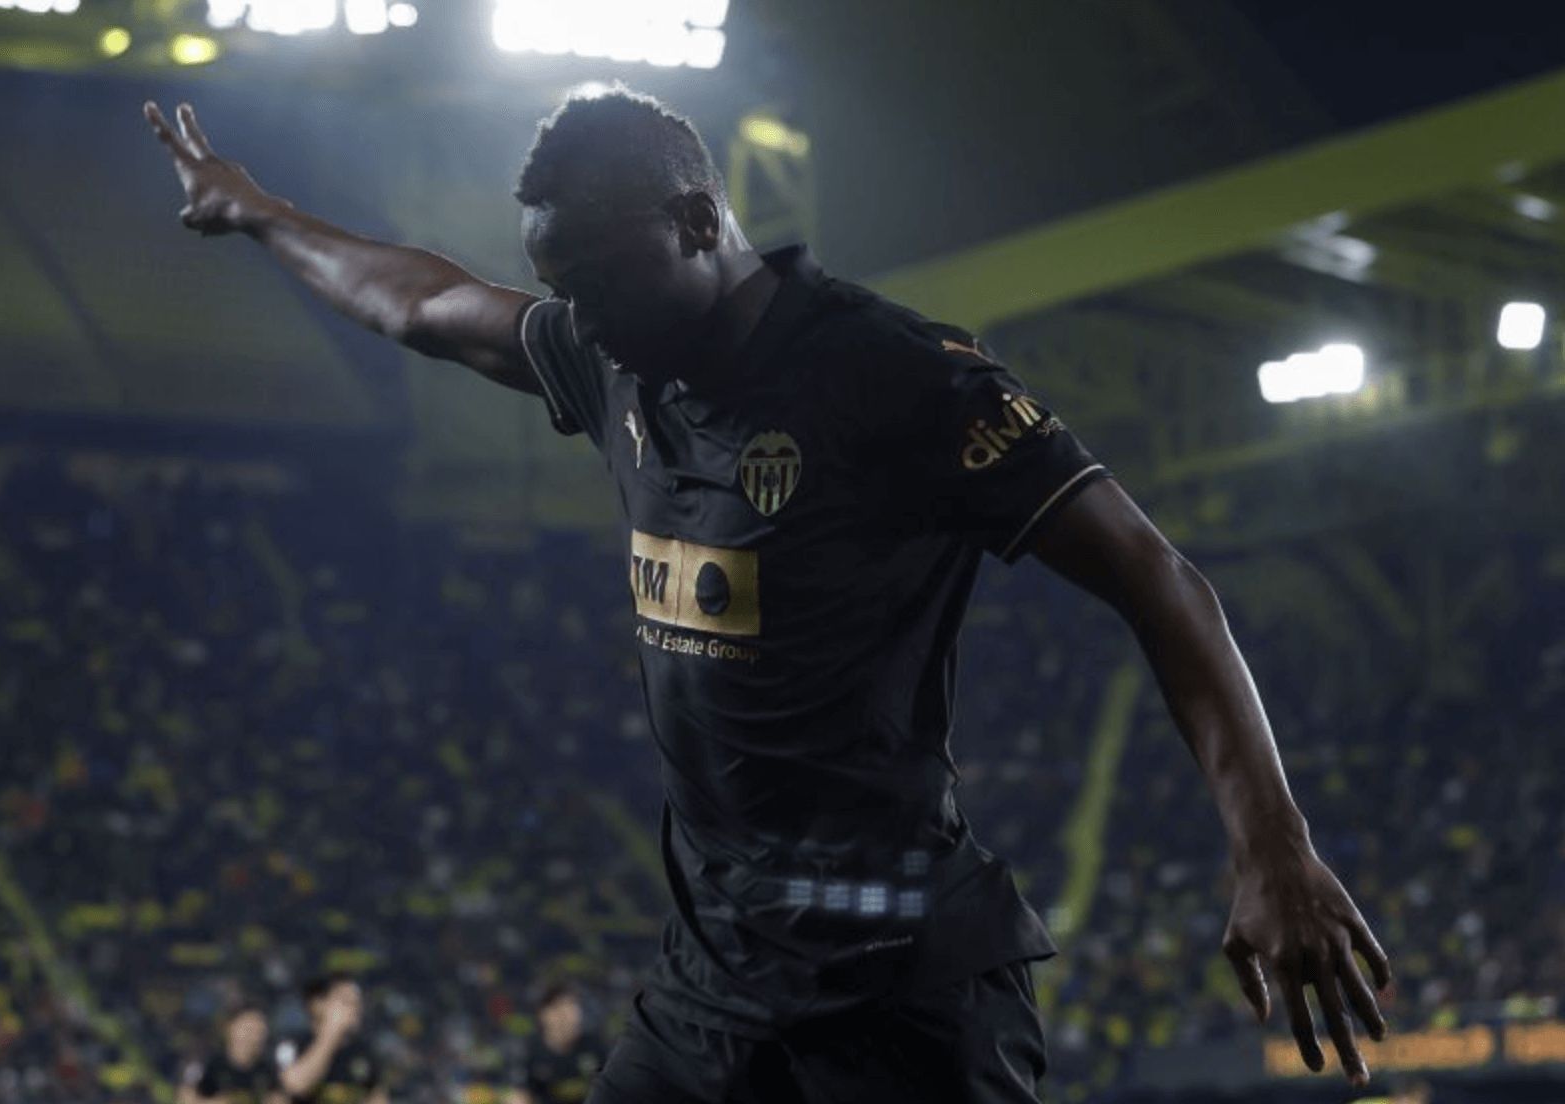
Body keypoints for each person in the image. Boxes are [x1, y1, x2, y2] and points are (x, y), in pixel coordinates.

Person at [143, 85, 1395, 1102]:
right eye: (560, 284)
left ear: (697, 222)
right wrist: (256, 210)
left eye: (601, 279)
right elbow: (417, 301)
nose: (583, 318)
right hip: (715, 989)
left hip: (900, 991)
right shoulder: (612, 353)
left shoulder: (896, 381)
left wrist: (1271, 851)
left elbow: (1153, 574)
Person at [273, 975, 387, 1104]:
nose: (355, 1008)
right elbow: (295, 1085)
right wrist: (331, 1033)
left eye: (357, 1002)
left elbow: (376, 1097)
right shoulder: (292, 1045)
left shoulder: (362, 1052)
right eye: (346, 1001)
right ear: (318, 1005)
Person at [506, 984, 607, 1104]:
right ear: (544, 1015)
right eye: (560, 1008)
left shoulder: (595, 1047)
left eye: (573, 1006)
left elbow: (616, 1087)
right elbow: (520, 1096)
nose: (569, 1015)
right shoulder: (531, 1052)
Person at [180, 1004, 286, 1104]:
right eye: (248, 1029)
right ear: (230, 1028)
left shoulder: (269, 1071)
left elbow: (280, 1098)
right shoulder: (206, 1063)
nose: (254, 1037)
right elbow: (184, 1098)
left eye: (259, 1031)